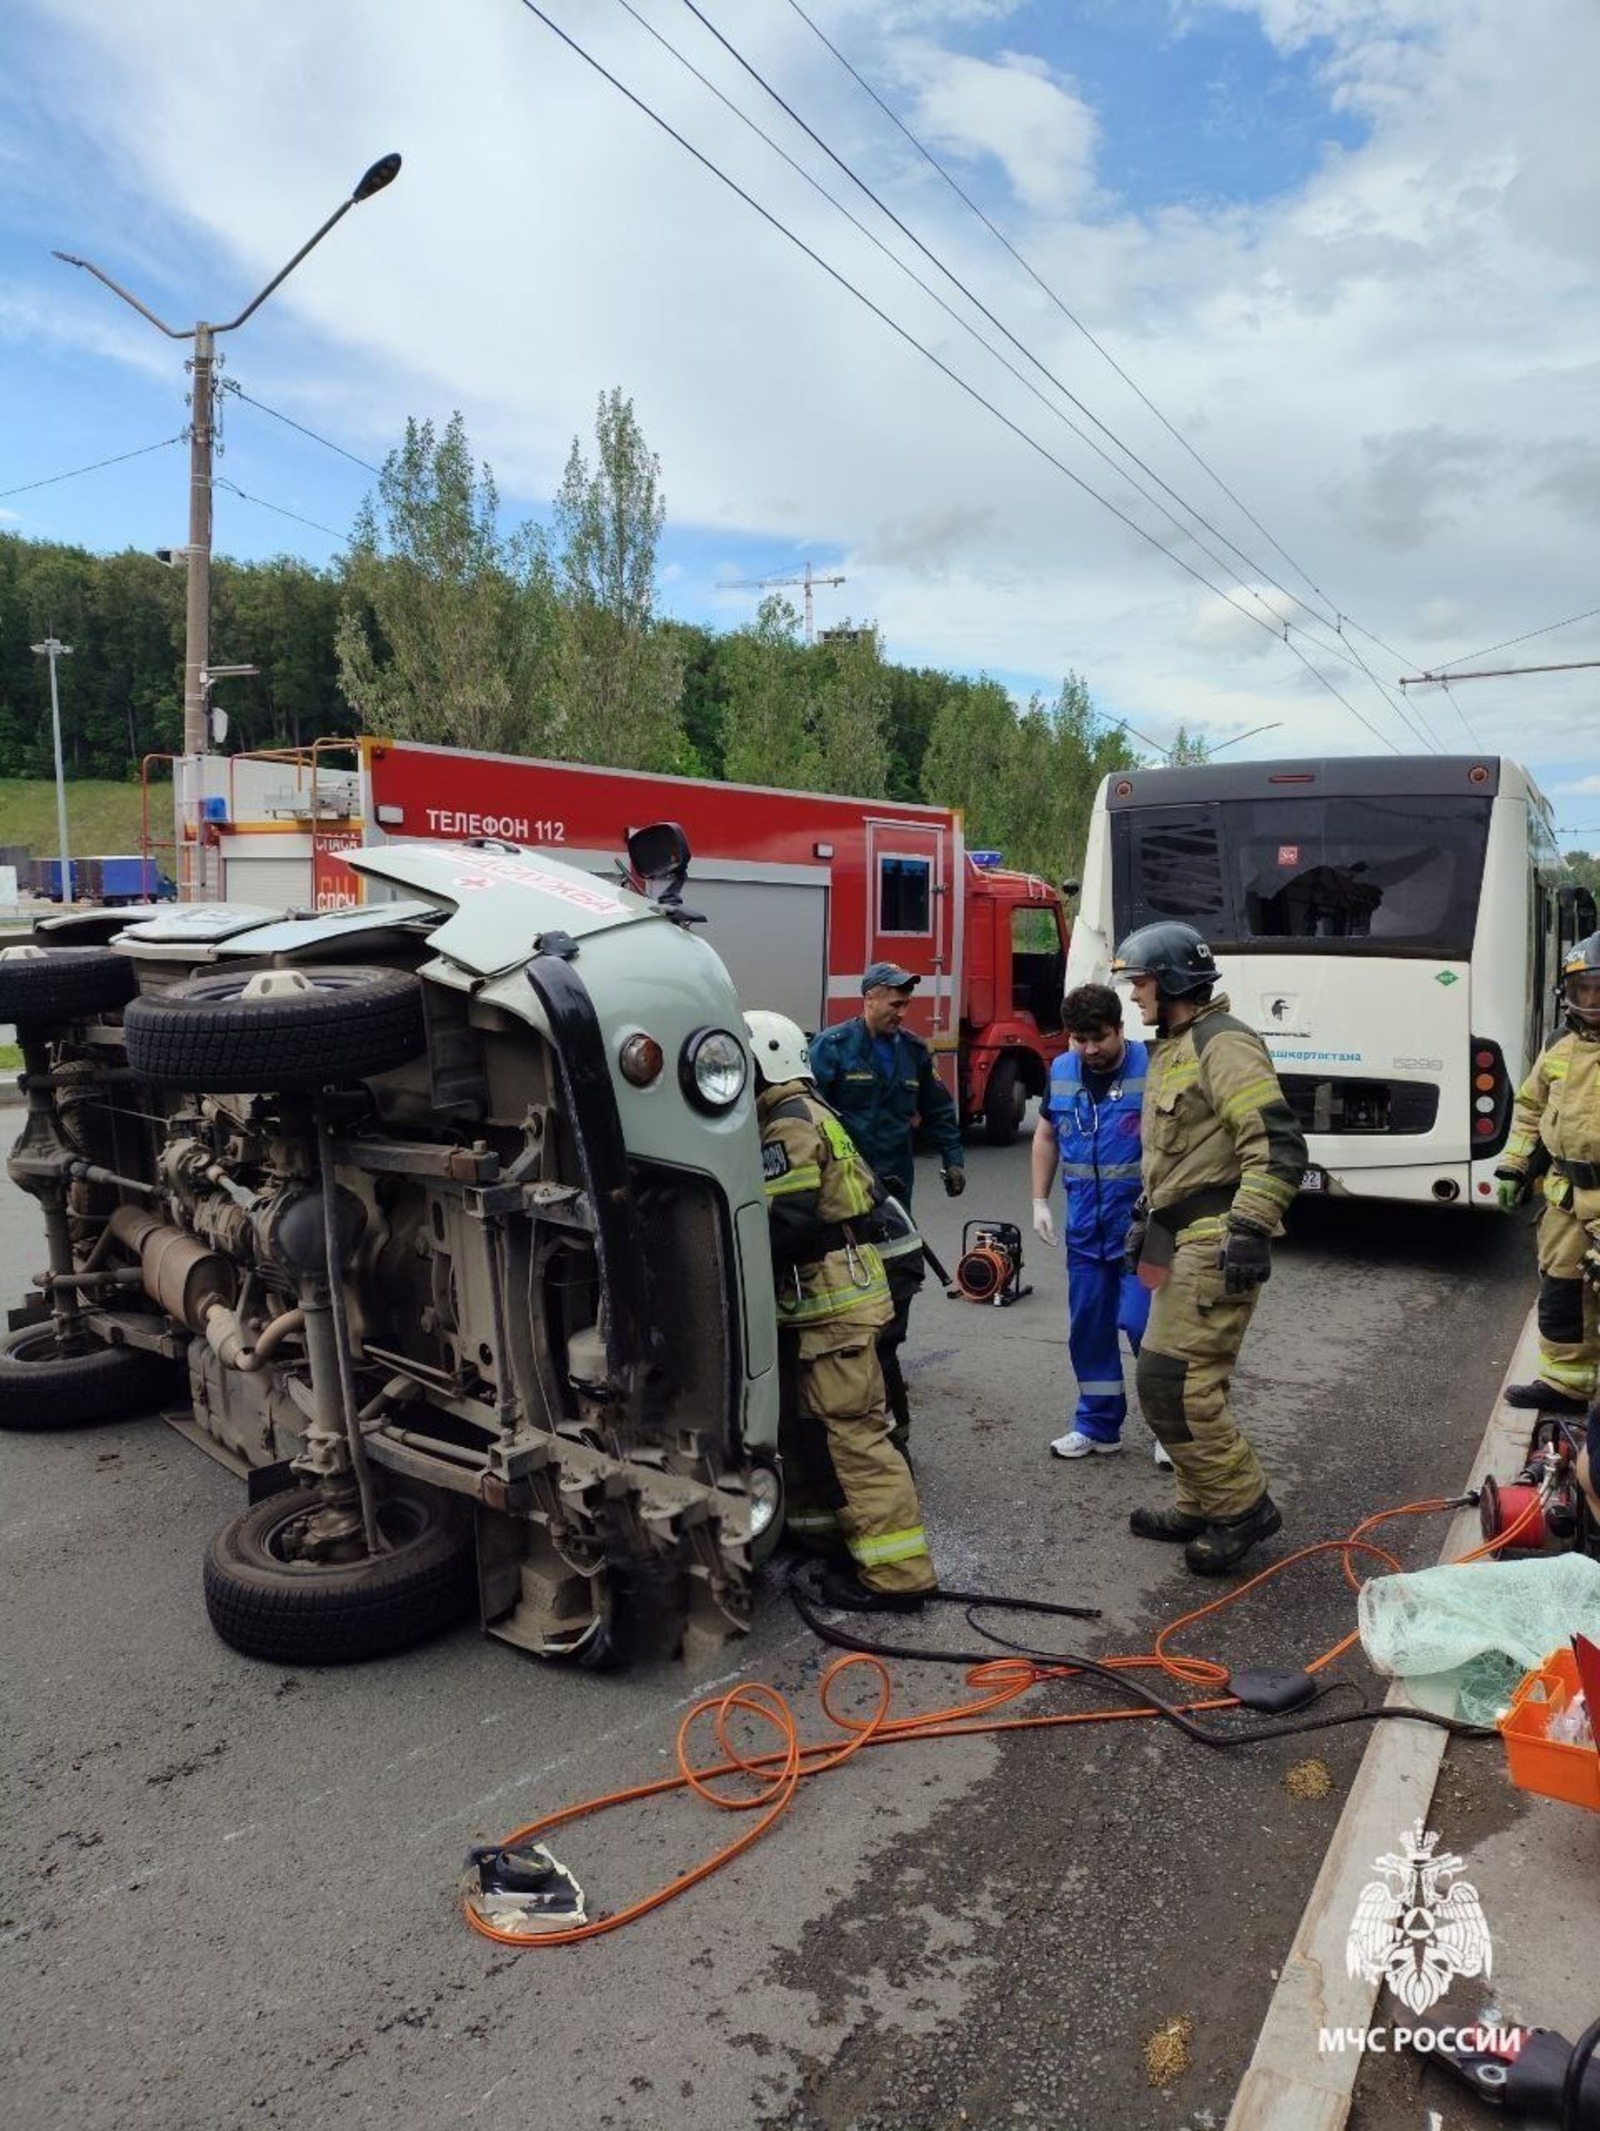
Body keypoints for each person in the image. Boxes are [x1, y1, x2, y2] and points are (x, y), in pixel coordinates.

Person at [1111, 921, 1306, 1575]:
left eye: (1140, 982)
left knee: (1174, 1384)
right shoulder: (1177, 1046)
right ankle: (1199, 1502)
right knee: (1182, 1381)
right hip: (1179, 1237)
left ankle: (1242, 1507)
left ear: (1170, 982)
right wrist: (1147, 1215)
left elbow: (1278, 1145)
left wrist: (1249, 1227)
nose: (1133, 994)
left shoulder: (1223, 1044)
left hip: (1215, 1240)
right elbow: (1184, 1152)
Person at [745, 1009, 937, 1612]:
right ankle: (825, 1538)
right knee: (811, 1431)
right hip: (830, 1302)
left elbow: (790, 1222)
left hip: (832, 1307)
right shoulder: (807, 1110)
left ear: (762, 1061)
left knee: (853, 1436)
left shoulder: (787, 1122)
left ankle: (898, 1576)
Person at [808, 963, 965, 1448]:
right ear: (870, 998)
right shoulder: (832, 1048)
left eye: (906, 1004)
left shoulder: (914, 1052)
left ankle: (885, 1356)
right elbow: (807, 1113)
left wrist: (953, 1160)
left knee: (897, 1273)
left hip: (895, 1191)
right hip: (843, 1189)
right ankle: (851, 1363)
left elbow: (939, 1109)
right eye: (895, 1003)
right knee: (846, 1273)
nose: (902, 1011)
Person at [1030, 982, 1170, 1467]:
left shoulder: (1154, 1068)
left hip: (1146, 1231)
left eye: (1099, 1038)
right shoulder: (1061, 1070)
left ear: (1120, 1029)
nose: (1089, 1049)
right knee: (1088, 1330)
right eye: (1079, 1039)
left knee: (1146, 1327)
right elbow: (1046, 1134)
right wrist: (1038, 1200)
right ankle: (1097, 1426)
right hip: (1086, 1233)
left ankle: (1172, 1430)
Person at [1494, 931, 1600, 1419]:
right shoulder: (1558, 1044)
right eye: (1583, 989)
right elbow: (1531, 1109)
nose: (1592, 1000)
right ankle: (1565, 1384)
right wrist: (1514, 1166)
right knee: (1561, 1291)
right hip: (1566, 1197)